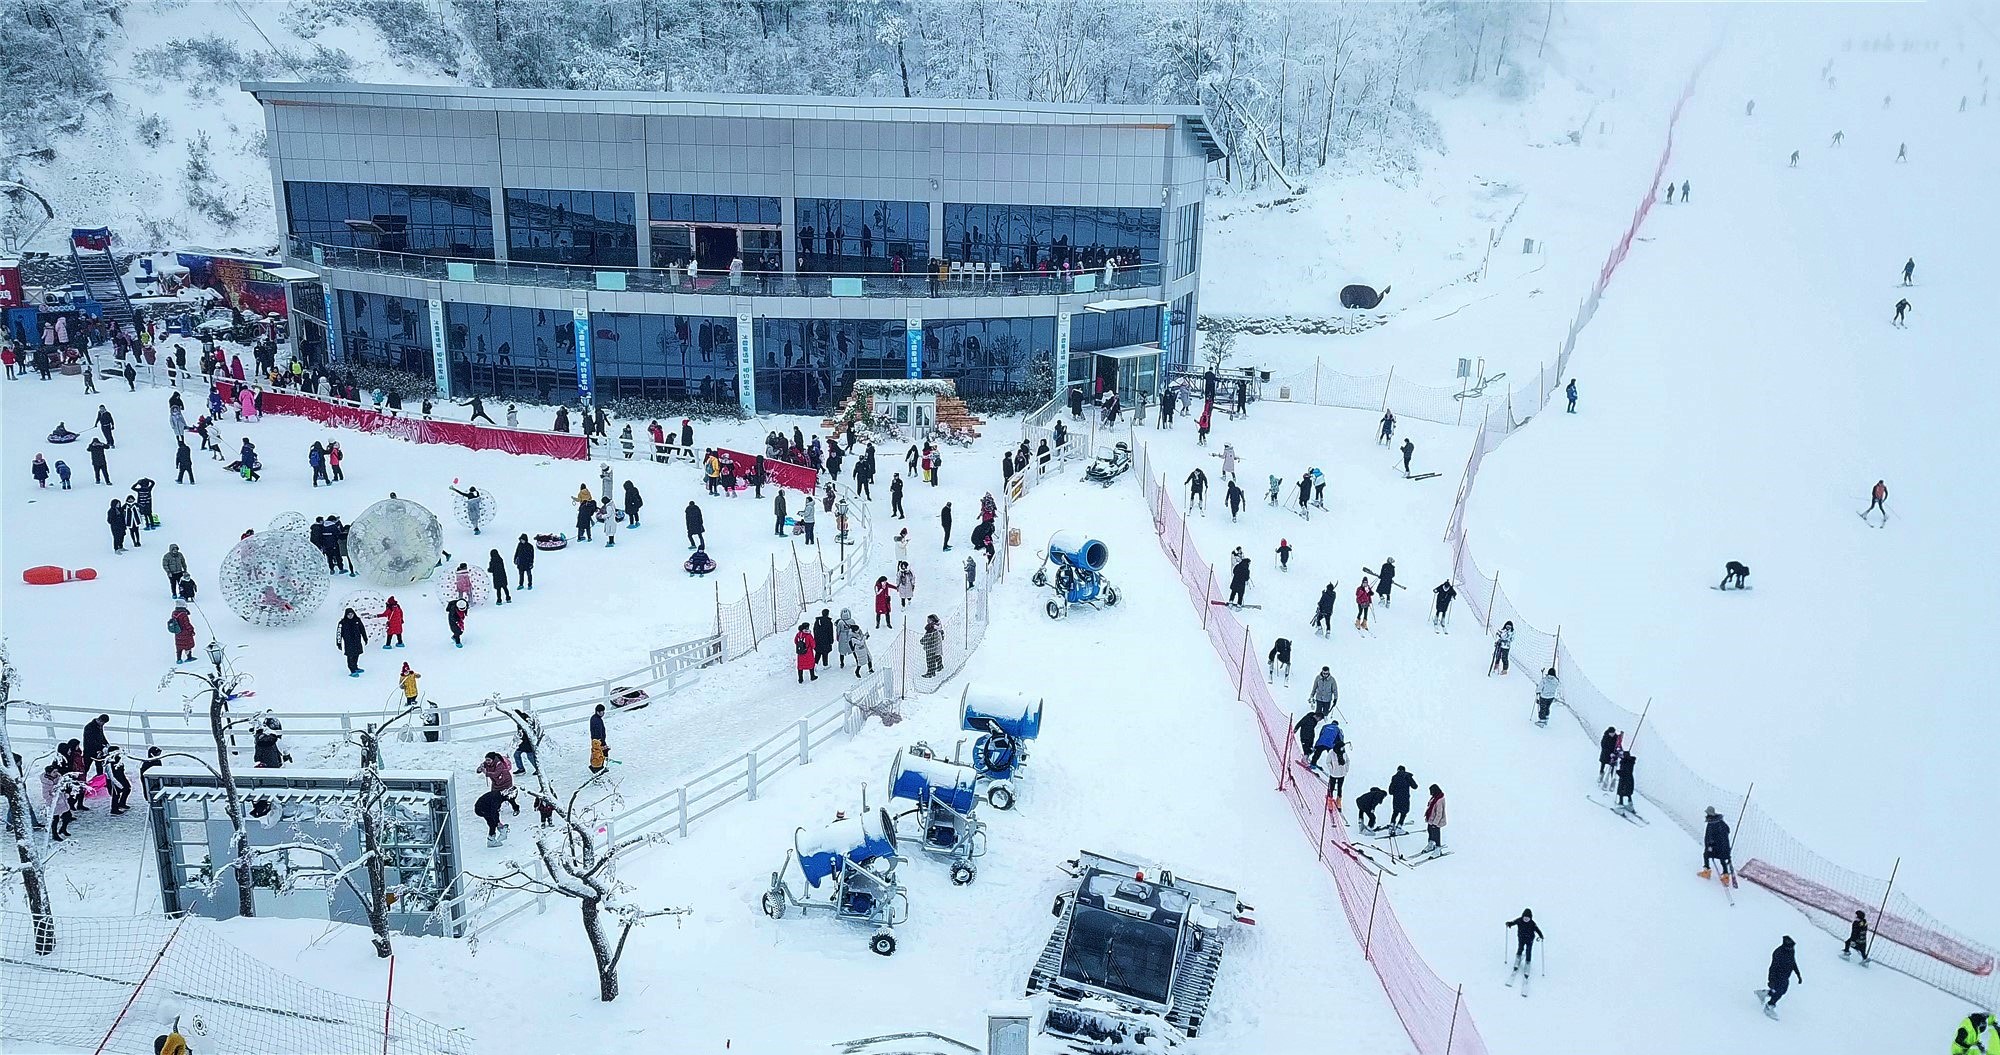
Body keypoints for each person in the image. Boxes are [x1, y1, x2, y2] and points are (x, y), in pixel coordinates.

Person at [1757, 937, 1802, 1017]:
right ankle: (1769, 1006)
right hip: (1777, 976)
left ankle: (1764, 993)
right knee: (1779, 992)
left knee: (1782, 991)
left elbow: (1793, 962)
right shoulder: (1778, 953)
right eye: (1791, 947)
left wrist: (1798, 974)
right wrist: (1771, 981)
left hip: (1785, 976)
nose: (1792, 948)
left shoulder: (1791, 951)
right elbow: (1772, 968)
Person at [1701, 806, 1735, 885]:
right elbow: (1728, 830)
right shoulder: (1721, 822)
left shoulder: (1711, 824)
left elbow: (1709, 837)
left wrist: (1709, 846)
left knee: (1706, 854)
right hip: (1725, 848)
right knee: (1722, 859)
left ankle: (1707, 871)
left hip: (1715, 848)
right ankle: (1726, 876)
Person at [1505, 910, 1545, 976]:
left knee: (1528, 950)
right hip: (1521, 938)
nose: (1526, 919)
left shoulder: (1532, 923)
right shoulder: (1519, 920)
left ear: (1530, 918)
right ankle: (1518, 958)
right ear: (1522, 916)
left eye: (1528, 918)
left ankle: (1528, 962)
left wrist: (1541, 935)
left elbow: (1537, 930)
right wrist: (1509, 924)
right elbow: (1513, 922)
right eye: (1525, 918)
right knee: (1520, 948)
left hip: (1530, 939)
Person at [337, 608, 368, 675]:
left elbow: (362, 629)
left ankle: (355, 667)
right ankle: (352, 669)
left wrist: (365, 638)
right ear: (346, 615)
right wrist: (339, 643)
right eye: (349, 614)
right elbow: (339, 634)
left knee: (357, 654)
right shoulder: (342, 623)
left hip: (357, 641)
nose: (350, 616)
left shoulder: (357, 620)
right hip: (348, 642)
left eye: (352, 614)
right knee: (350, 655)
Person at [1421, 784, 1447, 853]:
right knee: (1430, 831)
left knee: (1436, 834)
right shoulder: (1434, 798)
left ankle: (1438, 848)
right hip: (1431, 820)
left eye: (1431, 791)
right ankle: (1431, 844)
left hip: (1436, 822)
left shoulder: (1439, 800)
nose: (1430, 793)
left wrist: (1435, 823)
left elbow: (1439, 814)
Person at [589, 704, 609, 775]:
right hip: (598, 741)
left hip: (596, 741)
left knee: (598, 754)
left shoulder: (594, 718)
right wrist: (603, 742)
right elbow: (598, 733)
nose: (603, 713)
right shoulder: (597, 721)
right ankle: (598, 769)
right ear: (597, 712)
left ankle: (598, 767)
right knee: (599, 755)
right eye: (601, 712)